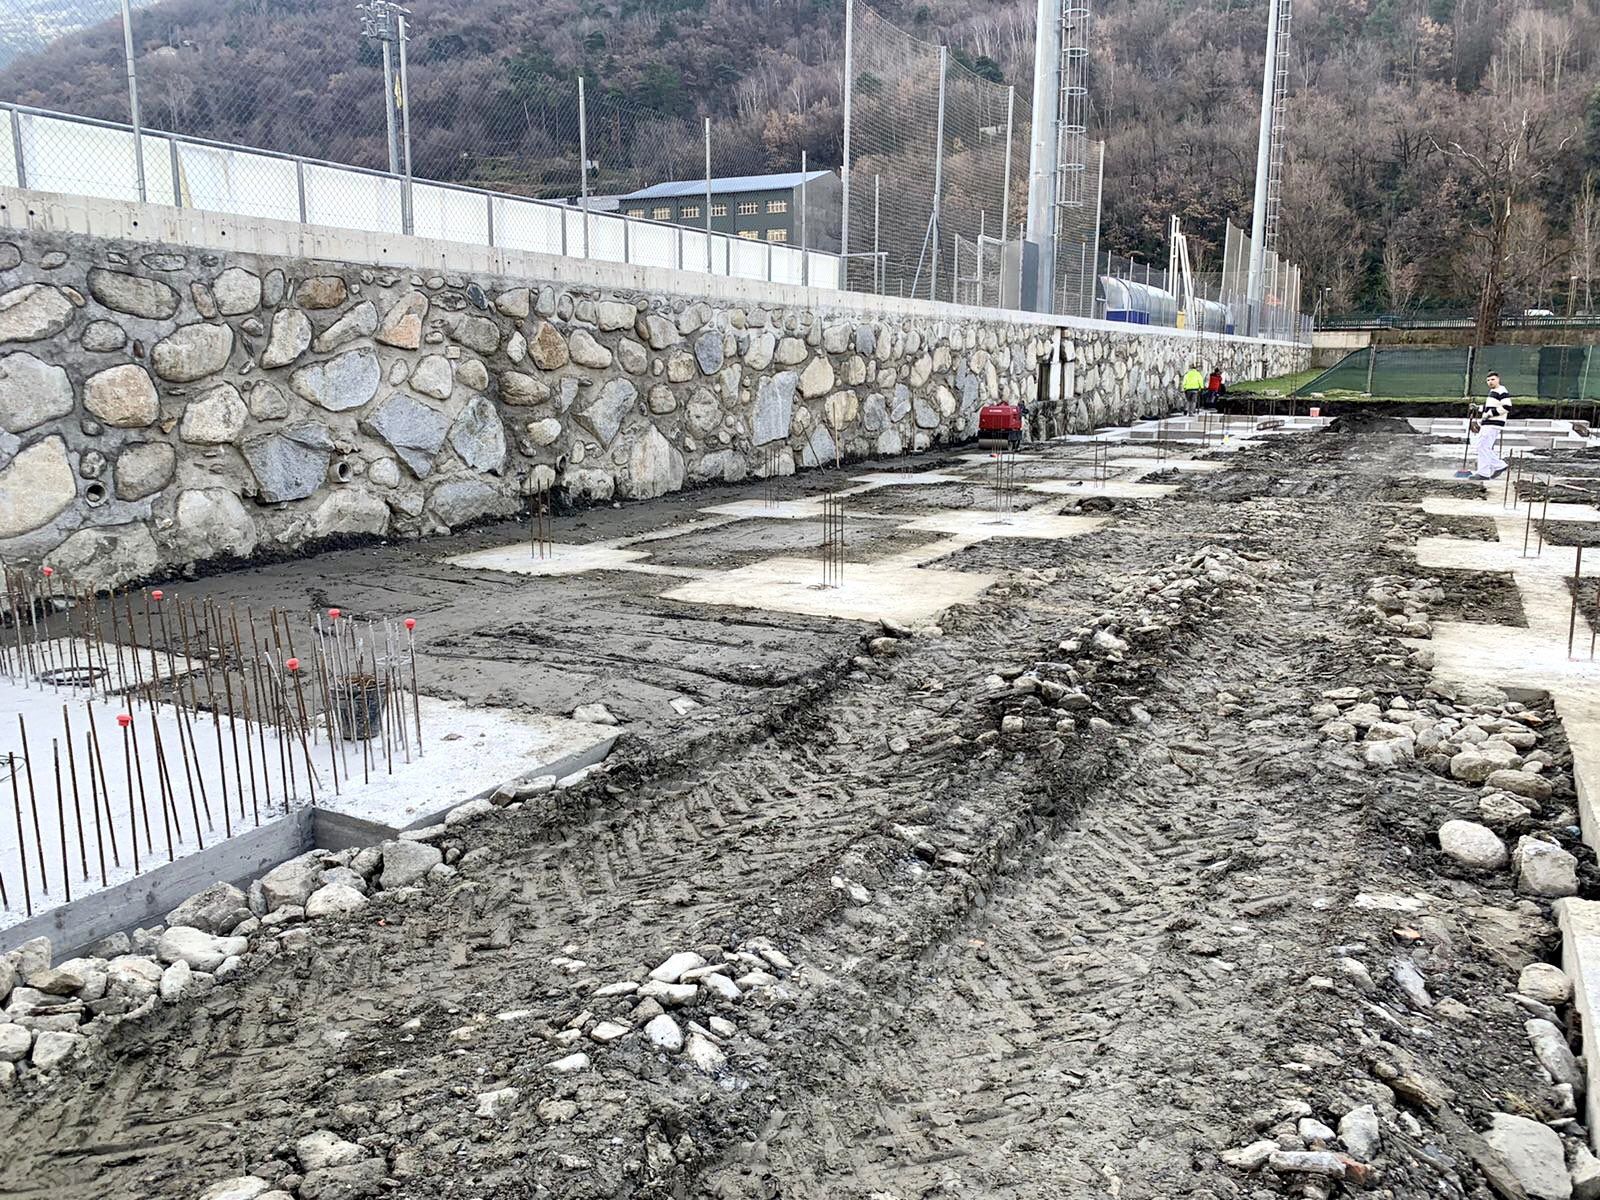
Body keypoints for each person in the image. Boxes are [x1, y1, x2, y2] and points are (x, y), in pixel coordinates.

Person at [1471, 372, 1511, 479]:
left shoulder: (1501, 391)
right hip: (1489, 423)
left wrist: (1490, 414)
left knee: (1482, 446)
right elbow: (1490, 407)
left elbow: (1507, 407)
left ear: (1498, 379)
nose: (1490, 382)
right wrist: (1478, 408)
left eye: (1492, 379)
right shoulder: (1493, 392)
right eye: (1488, 380)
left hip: (1493, 423)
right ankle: (1499, 465)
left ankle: (1483, 473)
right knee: (1484, 447)